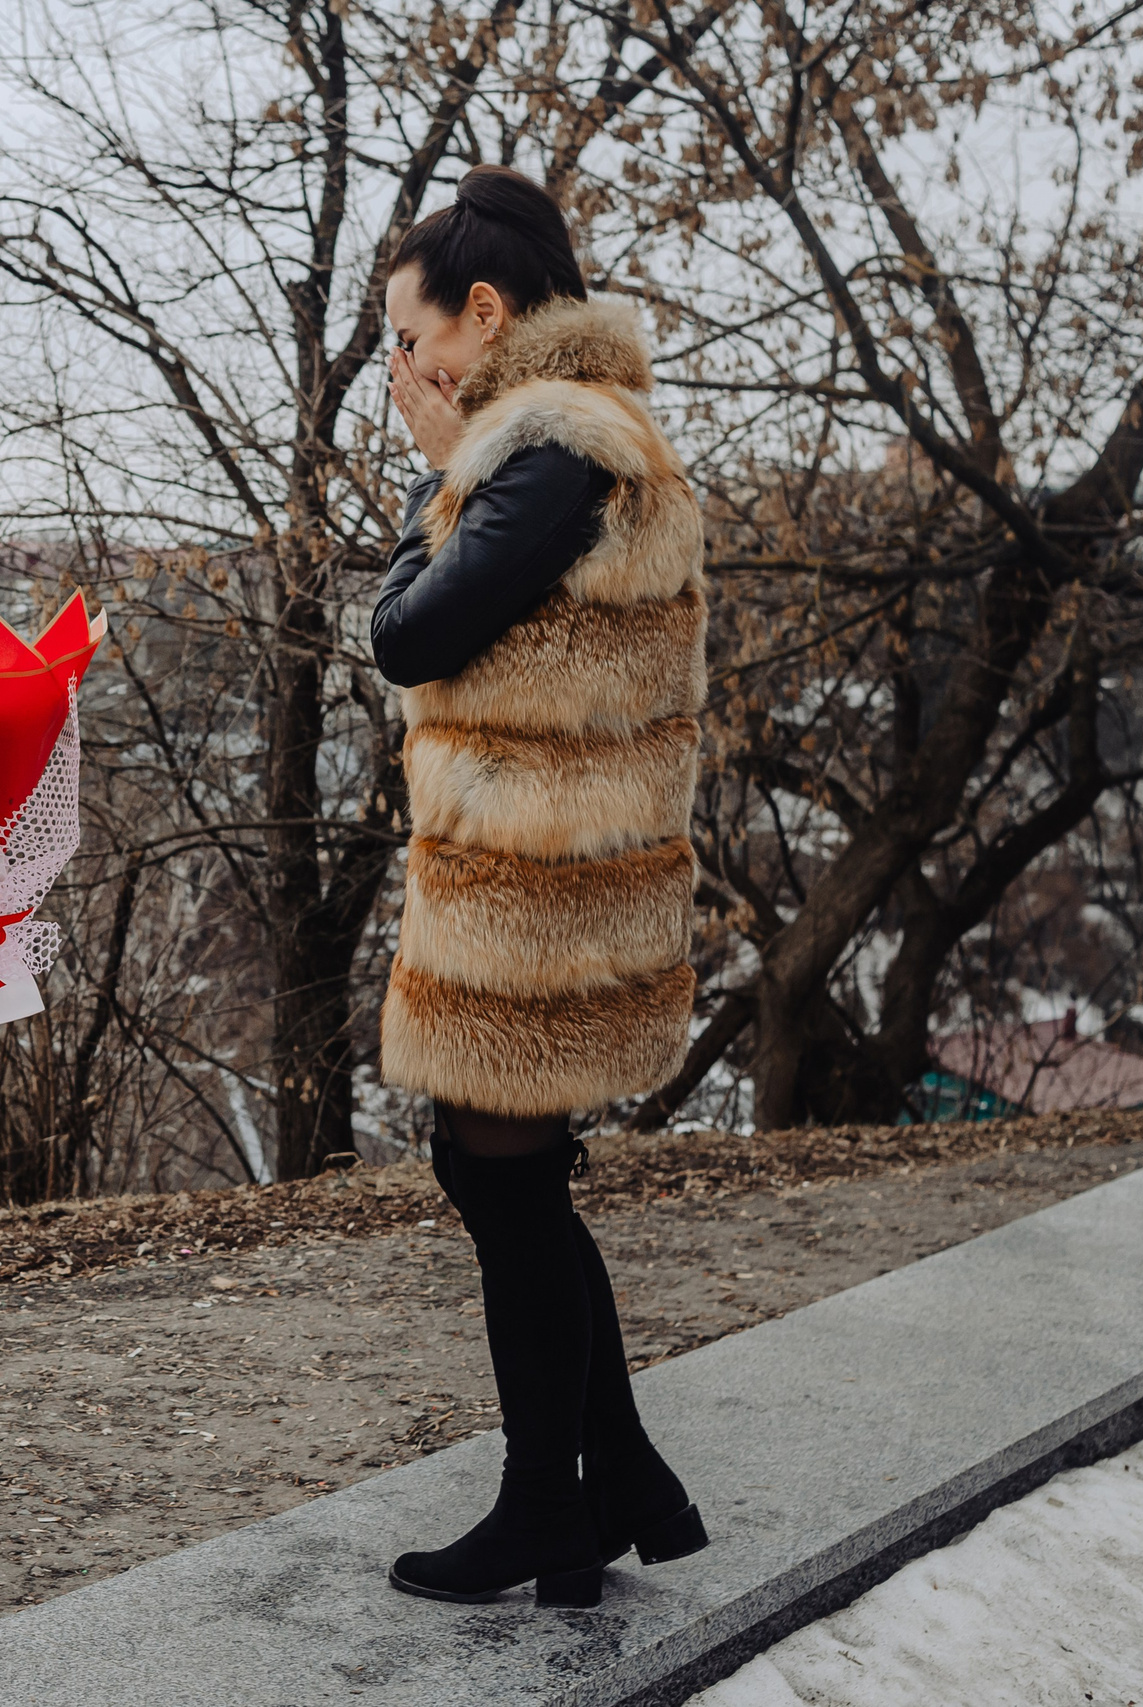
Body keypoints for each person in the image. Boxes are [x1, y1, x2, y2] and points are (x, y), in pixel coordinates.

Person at [369, 165, 711, 1609]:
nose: (398, 371)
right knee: (513, 1182)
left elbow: (408, 630)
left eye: (404, 338)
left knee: (500, 1184)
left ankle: (549, 1505)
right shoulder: (581, 442)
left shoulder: (548, 448)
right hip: (553, 882)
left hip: (535, 895)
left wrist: (437, 468)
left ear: (485, 314)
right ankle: (610, 1477)